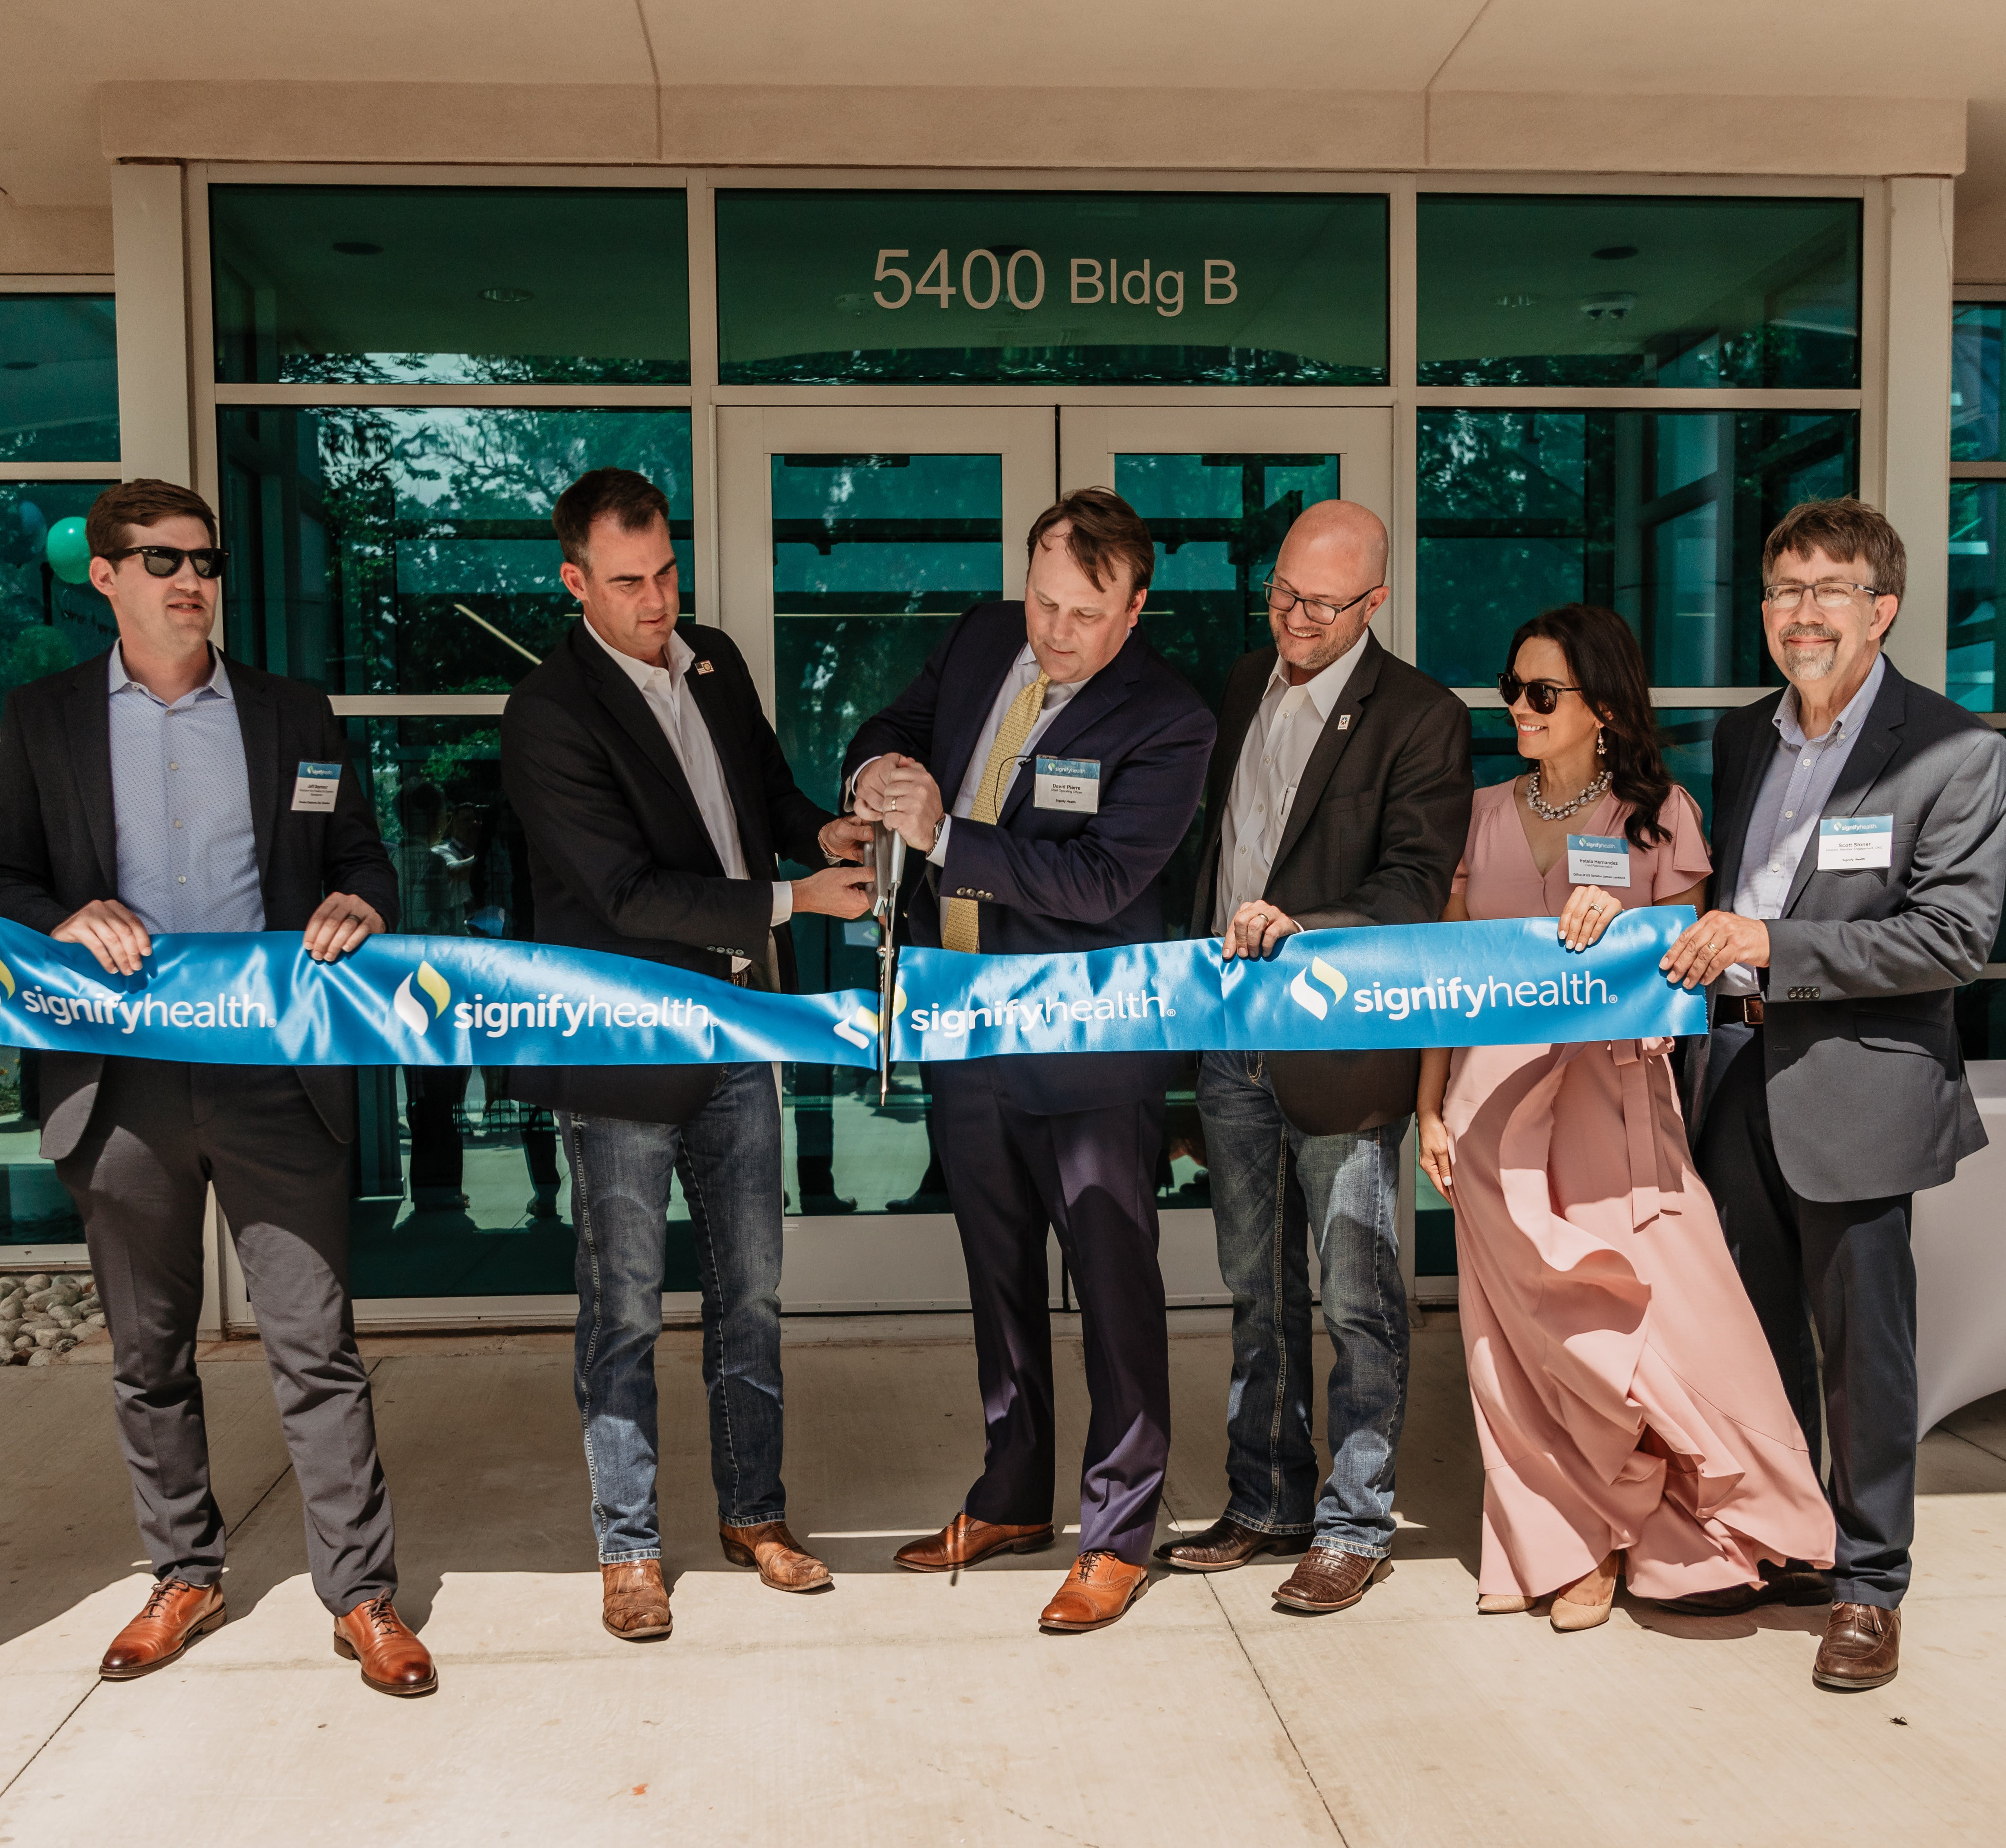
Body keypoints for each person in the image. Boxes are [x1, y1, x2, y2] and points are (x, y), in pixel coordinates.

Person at [0, 478, 433, 1699]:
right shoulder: (47, 716)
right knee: (148, 1351)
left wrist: (362, 900)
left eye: (207, 560)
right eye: (162, 559)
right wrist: (66, 915)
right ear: (105, 576)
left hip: (274, 1071)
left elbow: (363, 853)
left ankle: (364, 1595)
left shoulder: (293, 712)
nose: (191, 580)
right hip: (119, 1081)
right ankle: (184, 1569)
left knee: (314, 1343)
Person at [498, 466, 876, 1642]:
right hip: (621, 1046)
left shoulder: (709, 656)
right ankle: (628, 1547)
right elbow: (622, 891)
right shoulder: (547, 712)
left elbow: (758, 788)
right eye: (629, 582)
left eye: (666, 572)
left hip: (736, 1031)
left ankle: (754, 1513)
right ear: (575, 583)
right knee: (621, 1302)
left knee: (749, 1292)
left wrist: (817, 826)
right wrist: (795, 896)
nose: (657, 600)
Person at [1414, 605, 1834, 1630]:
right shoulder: (1479, 813)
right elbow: (1450, 979)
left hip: (1613, 1103)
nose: (1518, 707)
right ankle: (1578, 1547)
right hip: (1490, 1109)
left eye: (1541, 693)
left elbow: (1690, 949)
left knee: (1653, 1325)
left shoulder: (1660, 815)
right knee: (1526, 1346)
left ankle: (1711, 1527)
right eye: (1511, 689)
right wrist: (1427, 1106)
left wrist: (1634, 923)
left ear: (1601, 707)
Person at [847, 489, 1215, 1634]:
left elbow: (1102, 881)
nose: (1055, 632)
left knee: (1111, 1291)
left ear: (1135, 605)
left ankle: (1115, 1530)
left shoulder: (1169, 718)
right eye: (1043, 602)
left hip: (1085, 1045)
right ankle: (1011, 1494)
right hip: (960, 1027)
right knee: (994, 1279)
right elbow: (889, 727)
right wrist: (872, 780)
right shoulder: (976, 636)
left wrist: (945, 836)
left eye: (1085, 615)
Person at [1660, 498, 2006, 1692]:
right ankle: (1791, 1537)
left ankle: (1869, 1586)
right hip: (1737, 1077)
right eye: (1782, 592)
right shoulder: (1748, 736)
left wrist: (1770, 946)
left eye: (1828, 591)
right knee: (1754, 1336)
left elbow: (1950, 939)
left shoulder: (1953, 751)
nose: (1801, 615)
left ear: (1883, 609)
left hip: (1855, 1092)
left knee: (1864, 1349)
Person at [1161, 500, 1471, 1615]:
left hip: (1339, 1053)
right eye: (1284, 591)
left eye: (1322, 603)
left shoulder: (1423, 717)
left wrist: (1307, 923)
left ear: (1374, 602)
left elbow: (1414, 885)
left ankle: (1354, 1519)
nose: (1295, 616)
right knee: (1255, 1289)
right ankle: (1267, 1500)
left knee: (1355, 1293)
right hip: (1234, 1044)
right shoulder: (1247, 679)